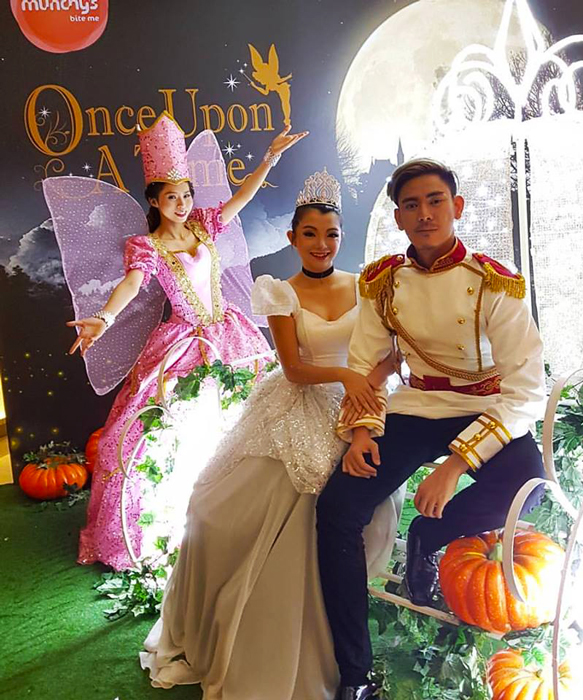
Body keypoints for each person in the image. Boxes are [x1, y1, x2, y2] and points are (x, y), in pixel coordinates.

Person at [140, 169, 403, 700]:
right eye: (309, 234)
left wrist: (366, 388)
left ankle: (334, 625)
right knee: (218, 508)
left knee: (338, 508)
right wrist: (347, 377)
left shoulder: (365, 285)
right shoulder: (281, 292)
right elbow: (295, 368)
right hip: (301, 399)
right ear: (292, 238)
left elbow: (389, 354)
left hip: (358, 403)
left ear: (342, 237)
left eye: (331, 234)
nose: (321, 244)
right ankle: (258, 626)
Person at [316, 158, 548, 700]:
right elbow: (366, 361)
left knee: (528, 486)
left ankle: (429, 535)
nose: (425, 214)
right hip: (417, 405)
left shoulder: (495, 281)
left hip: (486, 406)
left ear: (457, 207)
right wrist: (362, 432)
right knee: (338, 510)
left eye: (435, 201)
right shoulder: (382, 282)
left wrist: (456, 465)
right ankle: (354, 674)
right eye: (412, 205)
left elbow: (525, 390)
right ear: (399, 217)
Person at [65, 112, 306, 570]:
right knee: (155, 428)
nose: (181, 203)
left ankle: (250, 509)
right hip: (184, 342)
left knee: (250, 416)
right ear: (154, 200)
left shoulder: (203, 225)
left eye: (187, 194)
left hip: (228, 332)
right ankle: (171, 517)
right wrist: (104, 317)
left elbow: (242, 198)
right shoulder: (147, 246)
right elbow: (133, 284)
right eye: (172, 196)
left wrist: (269, 159)